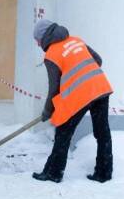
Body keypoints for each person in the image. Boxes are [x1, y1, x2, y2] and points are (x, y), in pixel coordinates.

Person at [32, 19, 113, 183]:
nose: (37, 44)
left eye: (37, 41)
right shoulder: (76, 40)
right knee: (102, 132)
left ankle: (54, 173)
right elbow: (98, 60)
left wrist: (48, 111)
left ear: (42, 38)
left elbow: (54, 89)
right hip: (100, 87)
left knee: (63, 133)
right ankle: (104, 173)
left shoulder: (51, 55)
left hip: (81, 95)